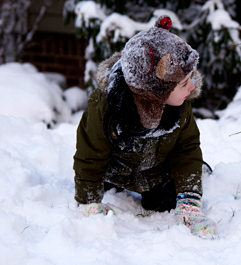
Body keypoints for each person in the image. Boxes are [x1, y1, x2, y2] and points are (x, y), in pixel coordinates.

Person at [73, 16, 216, 237]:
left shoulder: (179, 105)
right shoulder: (104, 108)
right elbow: (89, 155)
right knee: (104, 182)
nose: (193, 86)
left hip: (156, 171)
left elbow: (186, 149)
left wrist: (189, 200)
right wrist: (89, 202)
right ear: (156, 91)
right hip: (118, 169)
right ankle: (113, 185)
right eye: (184, 83)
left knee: (163, 202)